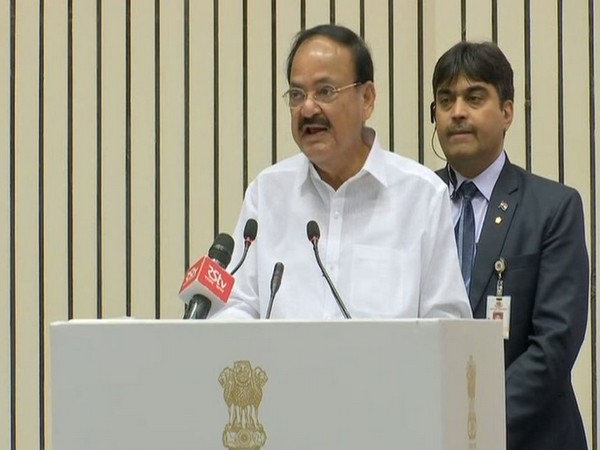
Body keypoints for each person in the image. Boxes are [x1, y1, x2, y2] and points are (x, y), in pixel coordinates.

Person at [211, 24, 471, 320]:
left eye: (325, 91)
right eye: (297, 94)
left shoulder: (421, 196)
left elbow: (447, 324)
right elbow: (237, 304)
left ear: (367, 99)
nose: (307, 109)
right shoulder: (267, 193)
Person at [432, 40, 589, 450]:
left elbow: (553, 346)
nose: (458, 112)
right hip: (428, 429)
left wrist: (472, 421)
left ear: (507, 111)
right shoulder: (411, 201)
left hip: (529, 435)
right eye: (445, 100)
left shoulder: (553, 208)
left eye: (474, 97)